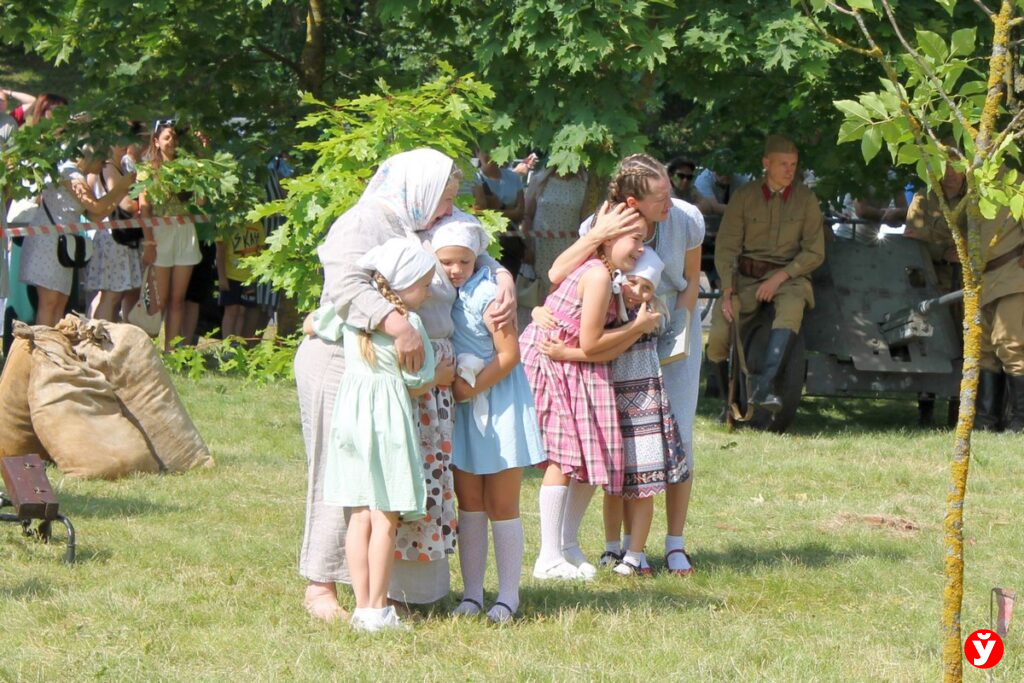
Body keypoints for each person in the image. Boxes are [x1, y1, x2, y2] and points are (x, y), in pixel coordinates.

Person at [296, 148, 515, 622]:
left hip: (408, 374)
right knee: (348, 480)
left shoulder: (423, 219)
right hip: (354, 367)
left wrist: (503, 276)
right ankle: (323, 584)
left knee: (394, 486)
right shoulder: (365, 221)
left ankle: (386, 592)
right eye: (445, 198)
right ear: (418, 189)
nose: (448, 208)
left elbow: (471, 246)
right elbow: (346, 287)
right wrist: (398, 324)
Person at [547, 153, 706, 575]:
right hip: (618, 339)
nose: (670, 204)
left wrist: (680, 330)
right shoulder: (601, 226)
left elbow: (691, 281)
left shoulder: (686, 219)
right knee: (624, 441)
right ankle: (614, 545)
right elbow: (562, 275)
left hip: (669, 332)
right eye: (660, 198)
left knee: (678, 440)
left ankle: (675, 543)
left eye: (670, 193)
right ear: (633, 203)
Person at [307, 237, 439, 632]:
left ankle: (362, 603)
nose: (429, 292)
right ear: (402, 286)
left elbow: (312, 324)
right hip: (389, 423)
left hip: (350, 418)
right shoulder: (410, 327)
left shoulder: (349, 316)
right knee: (385, 517)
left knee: (358, 515)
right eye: (425, 284)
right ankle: (377, 609)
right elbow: (419, 380)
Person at [520, 216, 660, 580]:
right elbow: (592, 344)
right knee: (564, 454)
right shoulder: (597, 274)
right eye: (636, 238)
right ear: (609, 237)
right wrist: (637, 327)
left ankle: (567, 545)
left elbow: (597, 347)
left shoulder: (607, 276)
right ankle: (548, 555)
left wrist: (635, 327)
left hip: (579, 367)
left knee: (589, 454)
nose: (642, 248)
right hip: (556, 364)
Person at [537, 248, 689, 576]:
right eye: (632, 283)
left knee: (643, 483)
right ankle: (611, 547)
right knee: (615, 484)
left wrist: (568, 352)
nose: (637, 292)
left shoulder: (647, 318)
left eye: (646, 287)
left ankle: (636, 554)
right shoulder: (610, 305)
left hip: (642, 405)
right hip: (611, 400)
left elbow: (605, 349)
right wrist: (539, 312)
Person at [431, 214, 545, 622]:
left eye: (463, 261)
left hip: (496, 404)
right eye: (447, 261)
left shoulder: (491, 294)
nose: (455, 269)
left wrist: (466, 390)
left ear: (475, 257)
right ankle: (473, 593)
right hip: (463, 411)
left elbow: (509, 355)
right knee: (470, 503)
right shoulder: (437, 290)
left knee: (502, 503)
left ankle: (509, 594)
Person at [706, 135, 825, 412]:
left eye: (793, 164)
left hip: (788, 279)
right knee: (719, 336)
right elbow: (726, 248)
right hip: (744, 280)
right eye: (783, 164)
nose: (789, 170)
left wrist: (781, 276)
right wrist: (727, 292)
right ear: (766, 163)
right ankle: (728, 402)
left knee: (792, 309)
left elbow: (814, 252)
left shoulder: (806, 200)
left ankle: (764, 387)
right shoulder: (744, 197)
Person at [20, 149, 133, 326]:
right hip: (48, 243)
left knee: (59, 304)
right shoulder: (69, 173)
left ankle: (55, 348)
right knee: (49, 303)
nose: (104, 164)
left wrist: (121, 191)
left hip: (63, 246)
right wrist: (120, 186)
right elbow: (95, 206)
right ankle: (43, 348)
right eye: (102, 159)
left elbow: (95, 216)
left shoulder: (80, 175)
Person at [138, 120, 202, 351]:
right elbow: (144, 207)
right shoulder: (148, 170)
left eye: (174, 137)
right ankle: (148, 351)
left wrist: (201, 170)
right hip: (160, 232)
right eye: (167, 137)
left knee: (178, 299)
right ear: (156, 141)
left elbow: (201, 201)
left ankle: (171, 353)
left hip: (184, 230)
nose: (171, 141)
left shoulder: (185, 169)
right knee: (159, 300)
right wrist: (149, 240)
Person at [84, 145, 143, 322]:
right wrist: (142, 196)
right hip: (113, 237)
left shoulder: (120, 166)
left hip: (116, 236)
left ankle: (102, 334)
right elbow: (127, 204)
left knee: (111, 294)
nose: (125, 144)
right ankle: (98, 338)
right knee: (111, 295)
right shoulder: (110, 169)